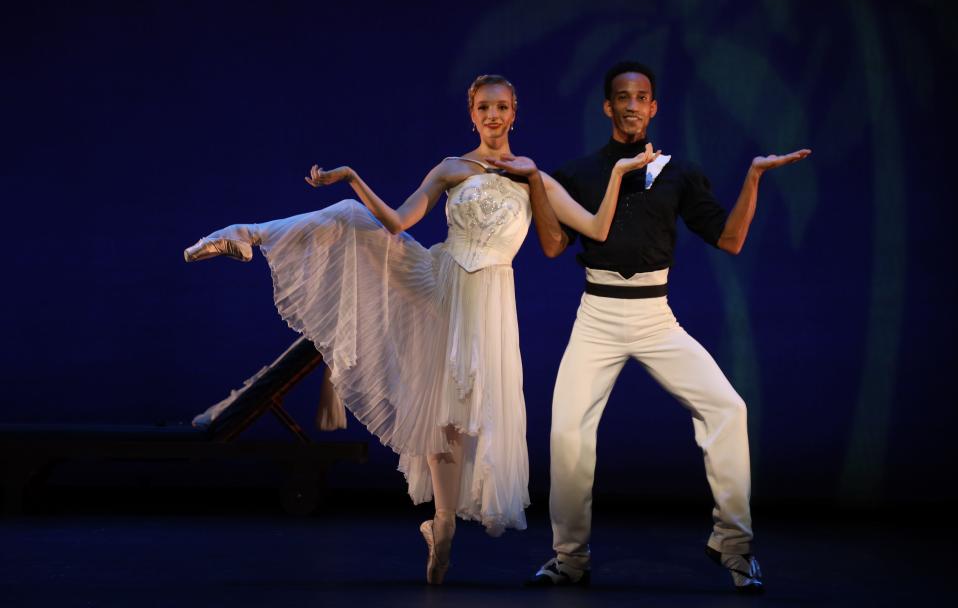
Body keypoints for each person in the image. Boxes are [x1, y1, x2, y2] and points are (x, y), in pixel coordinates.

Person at [182, 75, 658, 585]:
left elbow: (596, 229)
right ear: (471, 113)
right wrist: (352, 178)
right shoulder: (452, 168)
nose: (493, 116)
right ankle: (245, 234)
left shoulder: (531, 175)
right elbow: (397, 222)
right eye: (483, 107)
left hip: (491, 298)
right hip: (441, 283)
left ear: (514, 112)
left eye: (501, 107)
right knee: (350, 217)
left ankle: (444, 527)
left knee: (462, 410)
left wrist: (620, 171)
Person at [525, 62, 811, 593]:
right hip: (598, 316)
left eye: (642, 97)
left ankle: (733, 543)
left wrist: (752, 176)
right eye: (622, 97)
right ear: (607, 107)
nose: (632, 105)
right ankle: (569, 558)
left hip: (656, 315)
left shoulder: (679, 173)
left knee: (728, 408)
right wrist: (536, 189)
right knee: (567, 430)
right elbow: (552, 246)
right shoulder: (580, 174)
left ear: (653, 107)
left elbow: (729, 240)